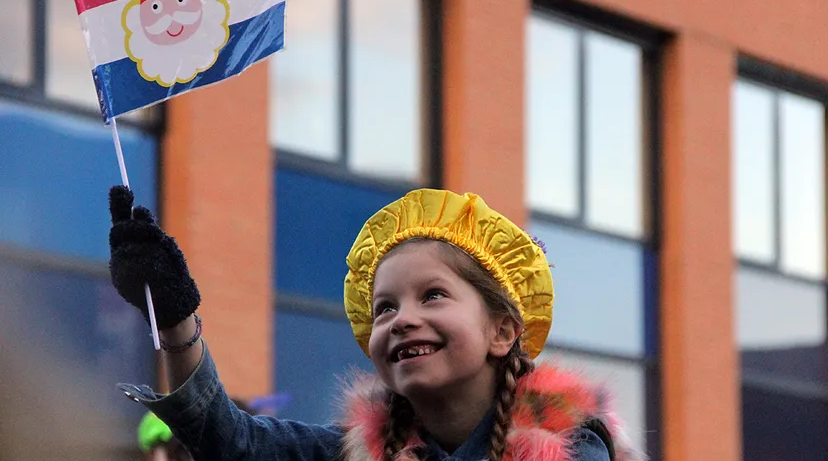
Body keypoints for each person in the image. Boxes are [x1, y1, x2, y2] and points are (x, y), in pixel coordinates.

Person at [108, 186, 643, 461]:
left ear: (502, 332)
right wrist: (175, 318)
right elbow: (230, 441)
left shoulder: (571, 448)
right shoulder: (352, 452)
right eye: (384, 308)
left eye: (433, 295)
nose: (403, 319)